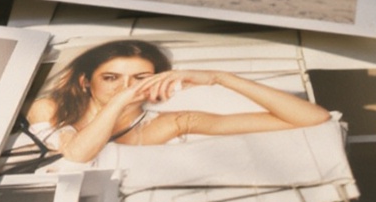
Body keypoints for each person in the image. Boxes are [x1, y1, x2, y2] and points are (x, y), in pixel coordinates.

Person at [28, 39, 329, 166]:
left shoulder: (168, 124)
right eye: (110, 78)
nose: (126, 87)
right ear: (85, 82)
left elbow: (313, 118)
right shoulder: (50, 109)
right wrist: (119, 103)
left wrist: (218, 77)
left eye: (140, 78)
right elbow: (78, 155)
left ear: (157, 81)